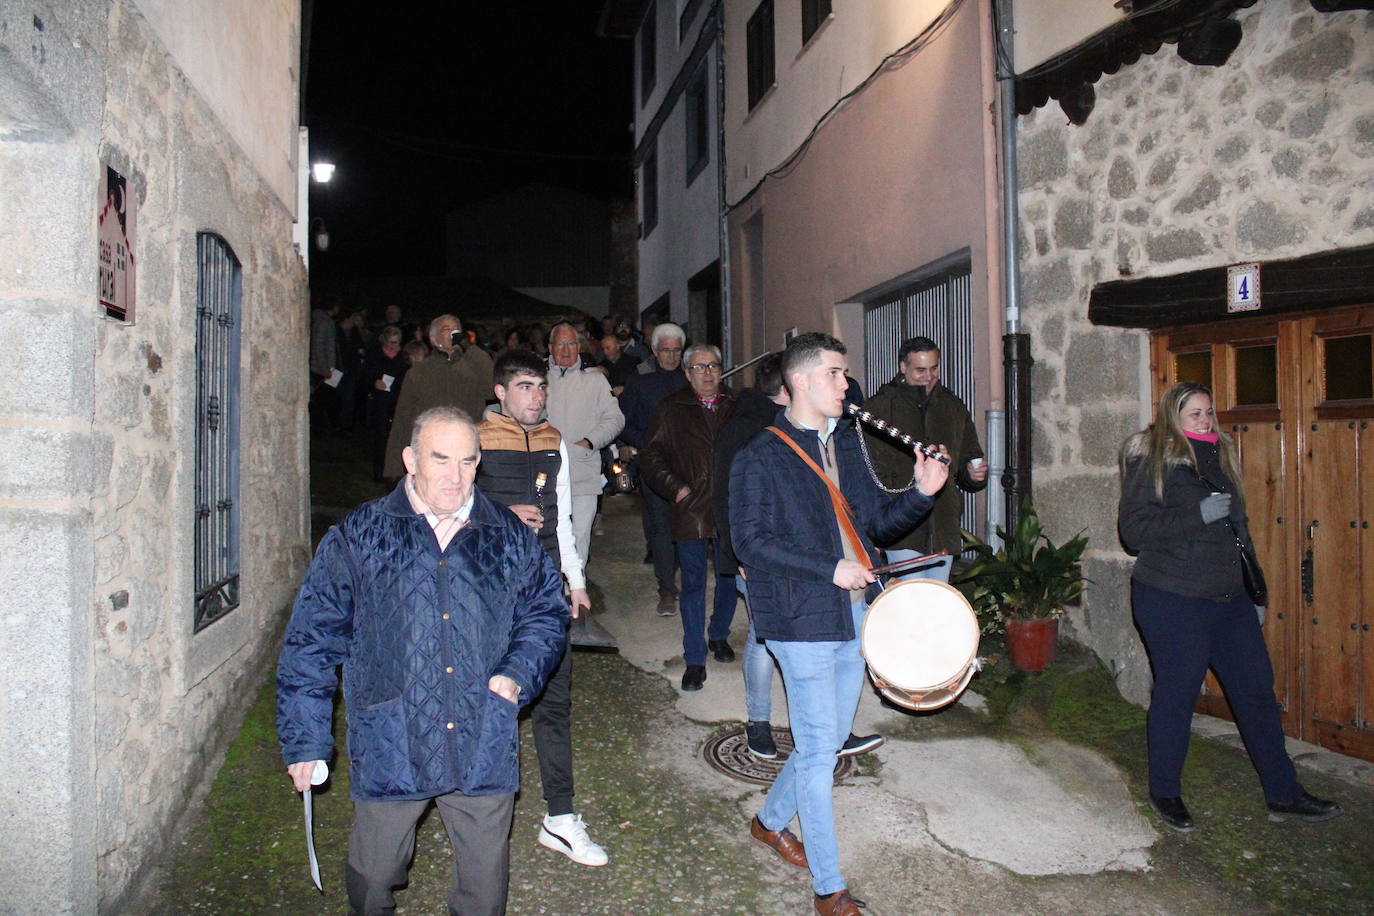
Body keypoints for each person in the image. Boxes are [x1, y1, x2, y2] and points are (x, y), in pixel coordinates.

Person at [276, 407, 567, 915]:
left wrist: (518, 673)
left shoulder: (507, 534)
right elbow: (312, 639)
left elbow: (545, 610)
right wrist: (305, 737)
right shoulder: (359, 535)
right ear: (411, 459)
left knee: (483, 891)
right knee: (372, 878)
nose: (455, 476)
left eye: (468, 461)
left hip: (483, 735)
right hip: (393, 734)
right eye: (440, 459)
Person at [730, 332, 947, 916]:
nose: (846, 385)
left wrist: (922, 495)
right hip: (799, 616)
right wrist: (829, 568)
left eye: (844, 374)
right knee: (821, 751)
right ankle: (829, 888)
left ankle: (770, 821)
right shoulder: (760, 455)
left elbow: (875, 523)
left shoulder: (847, 442)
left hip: (855, 611)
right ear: (800, 380)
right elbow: (749, 542)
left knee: (821, 743)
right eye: (835, 374)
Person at [1118, 380, 1342, 833]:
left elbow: (1239, 529)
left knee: (1257, 694)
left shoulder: (1221, 455)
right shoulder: (1153, 460)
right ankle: (1165, 791)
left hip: (1229, 600)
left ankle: (1284, 794)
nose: (1205, 420)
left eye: (1208, 412)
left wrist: (1254, 593)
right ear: (1172, 419)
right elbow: (1134, 531)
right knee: (1177, 695)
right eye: (1194, 414)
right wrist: (1195, 514)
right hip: (1172, 598)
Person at [475, 349, 609, 866]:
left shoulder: (555, 441)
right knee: (492, 703)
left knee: (555, 701)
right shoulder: (476, 439)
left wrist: (575, 581)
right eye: (526, 387)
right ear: (501, 392)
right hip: (488, 591)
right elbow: (446, 512)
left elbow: (564, 519)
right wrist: (499, 514)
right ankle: (484, 814)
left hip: (544, 590)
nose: (536, 397)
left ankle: (560, 817)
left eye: (540, 388)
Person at [642, 343, 738, 691]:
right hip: (691, 507)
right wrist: (677, 489)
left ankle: (719, 635)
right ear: (687, 373)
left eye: (713, 365)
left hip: (729, 507)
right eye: (699, 367)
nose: (707, 373)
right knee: (694, 585)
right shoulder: (671, 408)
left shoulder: (736, 405)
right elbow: (651, 456)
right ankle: (695, 658)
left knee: (728, 579)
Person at [861, 336, 986, 582]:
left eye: (934, 368)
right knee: (910, 604)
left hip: (943, 527)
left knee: (937, 604)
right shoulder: (879, 410)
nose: (928, 376)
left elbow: (968, 460)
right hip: (903, 529)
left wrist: (973, 476)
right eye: (920, 369)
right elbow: (868, 472)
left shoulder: (953, 406)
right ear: (903, 367)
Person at [617, 322, 688, 614]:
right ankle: (667, 589)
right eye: (665, 350)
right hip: (654, 465)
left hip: (688, 465)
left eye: (676, 351)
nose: (671, 357)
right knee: (660, 527)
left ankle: (684, 580)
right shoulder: (639, 382)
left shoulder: (691, 379)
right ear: (655, 351)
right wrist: (644, 443)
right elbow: (621, 422)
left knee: (685, 527)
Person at [545, 322, 625, 568]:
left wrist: (589, 442)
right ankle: (551, 594)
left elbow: (615, 419)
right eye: (561, 344)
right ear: (550, 348)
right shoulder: (537, 382)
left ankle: (575, 593)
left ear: (579, 347)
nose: (566, 350)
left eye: (571, 343)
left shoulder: (595, 381)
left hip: (583, 473)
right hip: (547, 475)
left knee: (580, 535)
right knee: (550, 536)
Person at [383, 314, 493, 479]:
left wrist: (470, 348)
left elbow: (491, 390)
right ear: (434, 339)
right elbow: (402, 419)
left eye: (457, 330)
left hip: (465, 450)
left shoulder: (475, 367)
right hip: (431, 453)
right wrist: (393, 468)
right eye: (446, 329)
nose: (453, 333)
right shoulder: (419, 372)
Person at [361, 325, 409, 481]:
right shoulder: (374, 355)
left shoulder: (404, 357)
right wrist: (374, 382)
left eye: (396, 342)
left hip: (399, 400)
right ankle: (379, 470)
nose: (393, 346)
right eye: (390, 342)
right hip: (380, 399)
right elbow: (364, 375)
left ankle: (395, 471)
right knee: (381, 436)